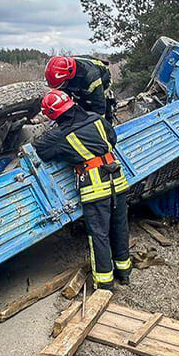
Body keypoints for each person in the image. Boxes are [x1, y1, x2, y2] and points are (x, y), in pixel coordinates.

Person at [32, 89, 131, 289]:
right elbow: (112, 139)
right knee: (120, 226)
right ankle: (124, 273)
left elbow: (41, 149)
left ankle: (104, 283)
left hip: (96, 189)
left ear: (52, 114)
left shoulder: (60, 135)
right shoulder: (97, 119)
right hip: (118, 181)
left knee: (99, 235)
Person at [44, 55, 116, 123]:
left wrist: (100, 123)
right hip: (79, 80)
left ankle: (109, 122)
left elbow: (99, 104)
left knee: (100, 107)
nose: (62, 88)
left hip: (103, 80)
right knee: (80, 106)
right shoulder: (64, 72)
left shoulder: (91, 77)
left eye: (62, 85)